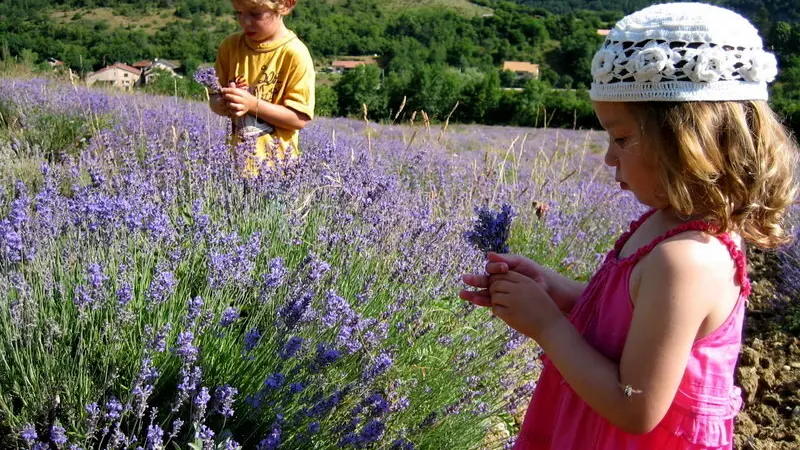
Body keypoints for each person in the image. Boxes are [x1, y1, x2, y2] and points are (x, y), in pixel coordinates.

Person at [460, 3, 798, 449]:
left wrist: (547, 326)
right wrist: (557, 292)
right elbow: (638, 325)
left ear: (687, 141)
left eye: (621, 138)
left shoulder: (689, 259)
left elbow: (635, 407)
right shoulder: (665, 225)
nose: (609, 157)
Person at [210, 0, 315, 170]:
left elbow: (299, 118)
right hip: (236, 166)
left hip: (278, 171)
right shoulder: (231, 46)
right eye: (239, 13)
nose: (245, 22)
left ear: (285, 6)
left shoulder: (295, 54)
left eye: (255, 14)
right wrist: (223, 103)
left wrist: (252, 104)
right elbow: (214, 96)